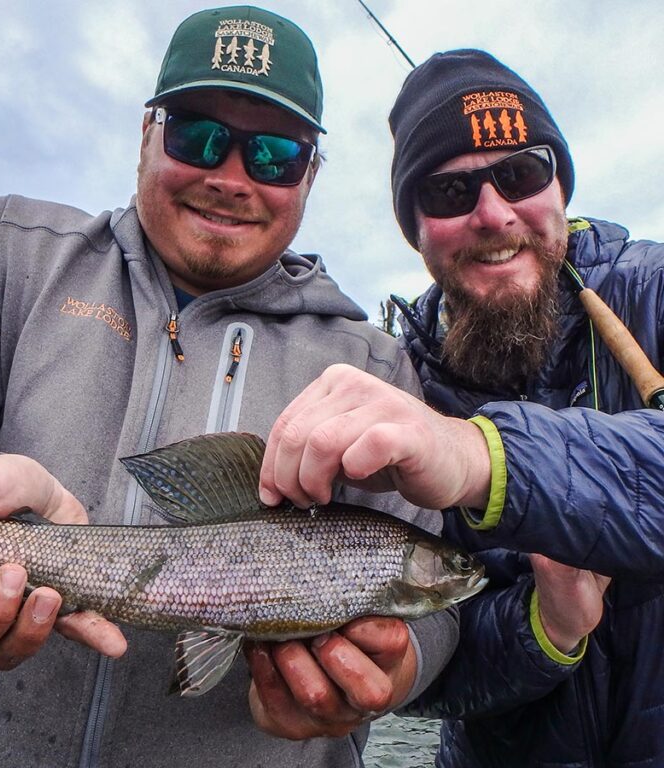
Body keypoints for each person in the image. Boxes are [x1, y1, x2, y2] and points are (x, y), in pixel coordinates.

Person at [0, 7, 460, 767]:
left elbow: (436, 621)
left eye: (274, 155)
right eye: (197, 137)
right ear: (146, 134)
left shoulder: (372, 368)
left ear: (310, 175)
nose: (230, 179)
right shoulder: (0, 253)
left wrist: (395, 669)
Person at [258, 49, 664, 766]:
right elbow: (430, 668)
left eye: (522, 173)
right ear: (414, 228)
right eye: (450, 192)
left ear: (559, 187)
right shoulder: (392, 384)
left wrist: (479, 455)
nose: (494, 214)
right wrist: (547, 629)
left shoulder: (654, 290)